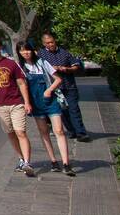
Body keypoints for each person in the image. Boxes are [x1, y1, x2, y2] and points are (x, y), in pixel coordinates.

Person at [0, 36, 36, 176]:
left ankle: (27, 162)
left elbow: (21, 83)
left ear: (0, 47)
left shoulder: (11, 64)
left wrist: (27, 102)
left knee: (20, 132)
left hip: (16, 103)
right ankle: (21, 158)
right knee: (10, 133)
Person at [18, 41, 76, 176]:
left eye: (27, 49)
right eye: (22, 51)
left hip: (50, 101)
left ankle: (66, 163)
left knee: (59, 130)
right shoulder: (21, 68)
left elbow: (58, 79)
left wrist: (49, 90)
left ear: (32, 50)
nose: (25, 53)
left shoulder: (43, 63)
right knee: (44, 132)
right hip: (36, 103)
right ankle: (53, 161)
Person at [40, 32, 91, 142]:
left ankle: (81, 133)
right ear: (44, 44)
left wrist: (66, 69)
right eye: (47, 43)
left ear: (55, 41)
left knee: (74, 109)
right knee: (63, 111)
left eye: (52, 42)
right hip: (54, 88)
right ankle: (72, 131)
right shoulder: (41, 55)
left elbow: (76, 66)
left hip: (69, 85)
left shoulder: (65, 52)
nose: (50, 44)